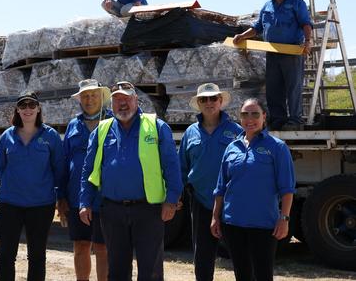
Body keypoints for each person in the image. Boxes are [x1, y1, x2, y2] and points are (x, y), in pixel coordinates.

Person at [80, 81, 183, 280]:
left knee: (150, 270)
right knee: (117, 270)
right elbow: (88, 169)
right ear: (111, 104)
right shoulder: (102, 130)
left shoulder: (156, 127)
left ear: (136, 100)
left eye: (127, 98)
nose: (122, 103)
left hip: (148, 210)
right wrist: (85, 201)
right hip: (112, 211)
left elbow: (172, 165)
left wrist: (171, 200)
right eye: (117, 99)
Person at [211, 98, 296, 281]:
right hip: (233, 224)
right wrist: (215, 217)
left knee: (263, 275)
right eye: (245, 114)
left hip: (264, 225)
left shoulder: (277, 148)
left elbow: (287, 188)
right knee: (242, 275)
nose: (250, 119)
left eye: (255, 114)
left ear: (264, 116)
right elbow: (221, 187)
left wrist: (284, 218)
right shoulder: (232, 148)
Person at [0, 91, 65, 281]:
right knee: (6, 256)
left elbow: (58, 168)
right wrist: (15, 184)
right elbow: (0, 168)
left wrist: (59, 197)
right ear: (17, 109)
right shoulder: (7, 136)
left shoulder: (50, 136)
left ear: (38, 108)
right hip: (10, 203)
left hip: (41, 204)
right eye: (23, 105)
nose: (27, 109)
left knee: (37, 256)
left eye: (31, 105)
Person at [233, 0, 313, 130]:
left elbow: (306, 23)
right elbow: (257, 27)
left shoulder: (296, 2)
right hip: (272, 53)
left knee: (293, 87)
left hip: (292, 52)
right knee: (274, 88)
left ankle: (295, 121)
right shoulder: (267, 6)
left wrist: (308, 41)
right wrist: (242, 36)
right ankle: (278, 119)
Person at [178, 83, 242, 281]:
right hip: (201, 200)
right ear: (198, 103)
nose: (209, 102)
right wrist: (176, 195)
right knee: (203, 255)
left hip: (232, 202)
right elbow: (182, 167)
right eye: (204, 99)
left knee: (240, 255)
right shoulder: (190, 132)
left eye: (213, 98)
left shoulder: (237, 131)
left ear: (220, 101)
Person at [57, 79, 111, 281]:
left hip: (104, 197)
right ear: (80, 99)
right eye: (85, 96)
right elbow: (64, 163)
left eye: (93, 95)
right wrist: (60, 195)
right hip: (76, 197)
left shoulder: (112, 123)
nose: (89, 100)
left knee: (102, 247)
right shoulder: (73, 125)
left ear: (101, 97)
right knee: (80, 246)